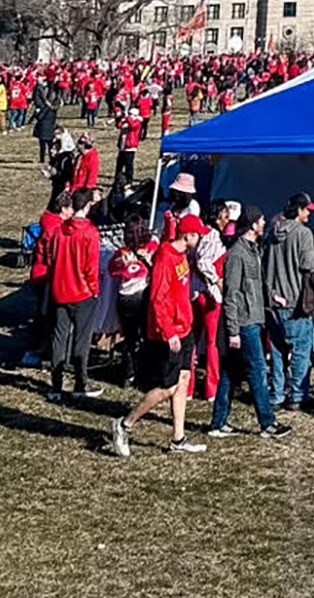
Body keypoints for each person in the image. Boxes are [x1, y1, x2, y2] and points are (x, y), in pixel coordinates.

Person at [109, 206, 205, 457]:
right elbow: (157, 298)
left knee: (183, 381)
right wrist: (168, 330)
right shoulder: (165, 258)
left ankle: (178, 438)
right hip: (168, 333)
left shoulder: (179, 253)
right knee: (167, 387)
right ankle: (125, 423)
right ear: (188, 236)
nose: (200, 238)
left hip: (184, 328)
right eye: (198, 234)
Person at [208, 205, 291, 440]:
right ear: (252, 224)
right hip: (245, 324)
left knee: (229, 373)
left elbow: (257, 283)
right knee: (257, 371)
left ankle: (218, 423)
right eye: (261, 220)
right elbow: (231, 294)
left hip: (255, 318)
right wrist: (233, 330)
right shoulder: (236, 255)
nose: (264, 224)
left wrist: (272, 295)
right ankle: (267, 423)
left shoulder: (254, 250)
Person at [263, 192, 314, 409]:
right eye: (306, 210)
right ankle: (297, 394)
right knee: (301, 350)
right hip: (295, 301)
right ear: (298, 210)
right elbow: (309, 265)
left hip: (273, 299)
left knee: (277, 350)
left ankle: (277, 394)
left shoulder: (271, 232)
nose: (309, 214)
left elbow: (264, 259)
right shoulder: (303, 234)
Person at [46, 189, 103, 401]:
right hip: (82, 293)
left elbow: (51, 259)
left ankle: (56, 386)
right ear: (88, 205)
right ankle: (80, 382)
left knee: (59, 338)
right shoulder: (90, 233)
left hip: (60, 291)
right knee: (81, 340)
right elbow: (90, 267)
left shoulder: (59, 230)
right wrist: (94, 290)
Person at [23, 191, 73, 367]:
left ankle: (39, 349)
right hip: (46, 275)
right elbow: (53, 255)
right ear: (64, 209)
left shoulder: (50, 222)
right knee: (46, 316)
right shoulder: (55, 228)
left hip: (42, 273)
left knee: (43, 315)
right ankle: (40, 351)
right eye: (71, 209)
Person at [108, 215, 156, 387]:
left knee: (129, 338)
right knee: (145, 336)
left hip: (124, 298)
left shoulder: (121, 253)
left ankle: (128, 375)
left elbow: (111, 270)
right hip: (142, 296)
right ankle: (143, 374)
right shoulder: (153, 248)